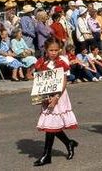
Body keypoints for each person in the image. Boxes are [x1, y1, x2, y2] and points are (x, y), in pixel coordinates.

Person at [33, 37, 78, 166]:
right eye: (51, 50)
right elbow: (39, 81)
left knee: (51, 125)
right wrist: (41, 96)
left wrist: (56, 97)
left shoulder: (62, 61)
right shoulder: (41, 62)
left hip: (59, 96)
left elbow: (64, 82)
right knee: (51, 125)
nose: (53, 52)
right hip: (46, 96)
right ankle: (68, 143)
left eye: (56, 50)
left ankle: (47, 155)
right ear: (46, 50)